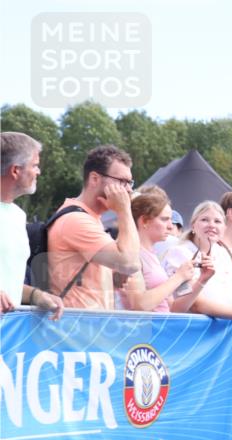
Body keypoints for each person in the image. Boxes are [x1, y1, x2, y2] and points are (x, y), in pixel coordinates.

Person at [47, 145, 141, 310]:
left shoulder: (91, 218)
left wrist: (114, 274)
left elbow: (125, 268)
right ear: (95, 179)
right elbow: (130, 263)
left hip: (88, 328)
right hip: (74, 328)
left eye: (130, 182)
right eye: (122, 182)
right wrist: (124, 210)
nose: (129, 190)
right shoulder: (76, 220)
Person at [162, 201, 232, 324]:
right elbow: (196, 304)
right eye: (205, 220)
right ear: (193, 226)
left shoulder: (222, 254)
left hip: (223, 334)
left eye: (217, 221)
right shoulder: (180, 253)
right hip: (193, 331)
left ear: (224, 228)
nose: (211, 225)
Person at [0, 131, 62, 319]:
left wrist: (36, 295)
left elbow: (8, 281)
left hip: (8, 337)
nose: (38, 172)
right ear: (15, 170)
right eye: (35, 165)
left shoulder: (18, 216)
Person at [122, 186, 196, 313]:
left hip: (159, 328)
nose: (170, 226)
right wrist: (178, 277)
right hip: (145, 331)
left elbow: (172, 308)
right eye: (164, 219)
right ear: (144, 220)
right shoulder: (132, 254)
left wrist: (202, 281)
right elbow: (139, 304)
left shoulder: (151, 254)